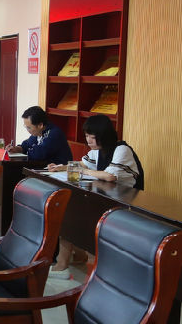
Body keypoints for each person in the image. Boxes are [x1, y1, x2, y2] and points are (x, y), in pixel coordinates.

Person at [46, 114, 144, 274]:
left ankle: (66, 263)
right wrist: (61, 167)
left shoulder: (122, 149)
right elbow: (83, 164)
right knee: (68, 212)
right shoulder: (97, 150)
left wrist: (82, 170)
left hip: (125, 205)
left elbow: (110, 176)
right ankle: (72, 257)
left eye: (92, 137)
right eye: (87, 136)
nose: (88, 141)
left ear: (104, 136)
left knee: (71, 214)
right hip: (106, 199)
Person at [6, 106, 72, 165]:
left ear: (40, 125)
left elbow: (39, 154)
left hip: (58, 171)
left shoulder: (54, 133)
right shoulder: (38, 132)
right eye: (26, 127)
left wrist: (27, 151)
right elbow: (26, 145)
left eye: (29, 127)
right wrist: (17, 149)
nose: (27, 130)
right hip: (43, 168)